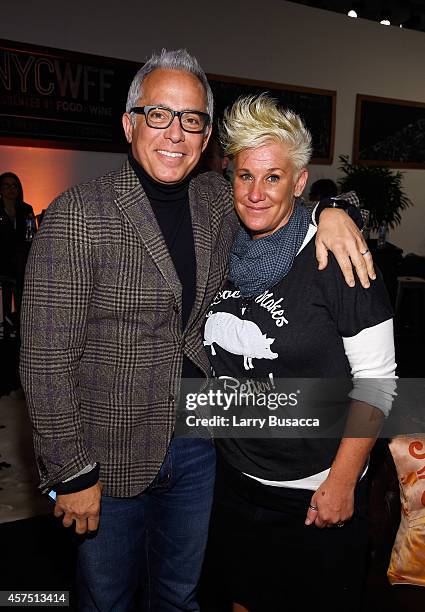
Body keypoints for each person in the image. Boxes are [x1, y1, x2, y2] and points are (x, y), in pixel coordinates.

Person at [20, 50, 375, 612]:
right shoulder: (77, 215)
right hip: (109, 458)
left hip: (200, 450)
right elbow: (44, 361)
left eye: (191, 119)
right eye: (158, 114)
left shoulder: (215, 198)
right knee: (106, 600)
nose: (175, 132)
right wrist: (71, 470)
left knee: (181, 596)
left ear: (206, 135)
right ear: (129, 123)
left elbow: (282, 197)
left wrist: (337, 207)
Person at [201, 94, 396, 612]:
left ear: (300, 181)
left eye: (273, 177)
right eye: (246, 176)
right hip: (236, 481)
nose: (257, 192)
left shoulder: (338, 254)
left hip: (314, 490)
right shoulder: (221, 244)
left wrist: (340, 481)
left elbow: (377, 378)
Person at [0, 172, 35, 337]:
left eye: (14, 185)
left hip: (21, 262)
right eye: (6, 185)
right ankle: (7, 328)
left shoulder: (26, 209)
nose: (11, 189)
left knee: (21, 294)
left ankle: (20, 331)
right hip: (2, 261)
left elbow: (31, 236)